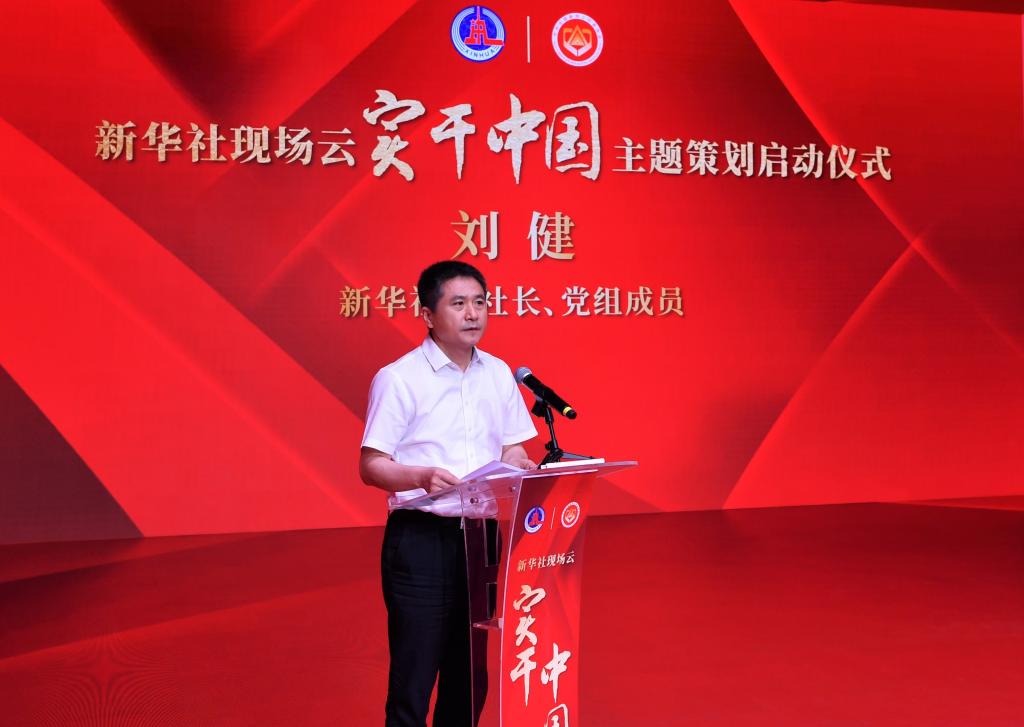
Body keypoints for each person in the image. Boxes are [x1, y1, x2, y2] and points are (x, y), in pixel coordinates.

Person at [360, 260, 537, 727]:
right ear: (428, 314)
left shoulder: (497, 373)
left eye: (480, 302)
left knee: (469, 674)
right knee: (415, 674)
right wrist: (419, 475)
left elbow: (512, 446)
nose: (473, 314)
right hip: (422, 538)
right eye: (458, 303)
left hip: (481, 537)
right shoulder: (399, 378)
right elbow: (371, 465)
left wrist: (520, 464)